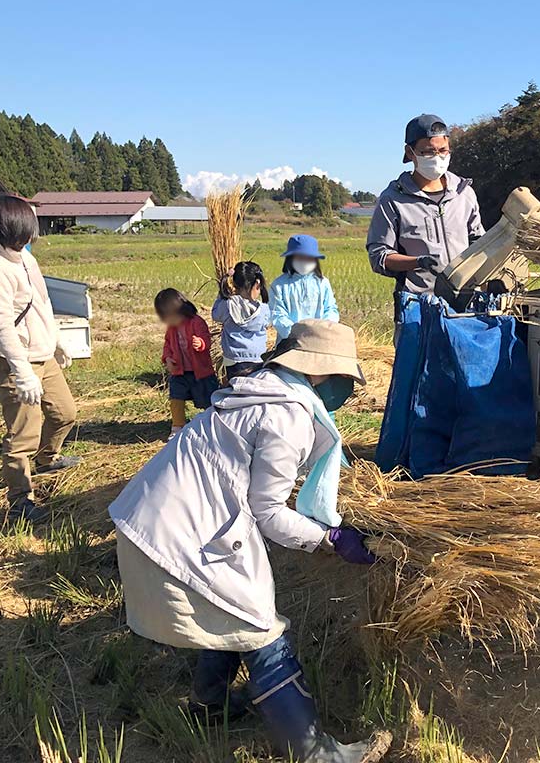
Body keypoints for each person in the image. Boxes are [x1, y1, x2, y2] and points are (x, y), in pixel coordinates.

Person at [108, 320, 389, 763]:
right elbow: (270, 512)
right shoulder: (287, 414)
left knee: (226, 609)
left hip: (153, 520)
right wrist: (329, 538)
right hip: (182, 534)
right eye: (342, 379)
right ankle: (315, 752)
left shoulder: (260, 390)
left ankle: (209, 706)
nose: (346, 391)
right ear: (319, 372)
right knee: (259, 628)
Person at [0, 194, 80, 524]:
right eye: (24, 229)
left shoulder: (23, 258)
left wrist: (57, 341)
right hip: (15, 361)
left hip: (42, 355)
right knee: (22, 436)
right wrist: (22, 372)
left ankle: (48, 458)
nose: (29, 236)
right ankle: (20, 500)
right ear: (5, 229)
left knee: (65, 413)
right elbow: (0, 325)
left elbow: (43, 302)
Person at [365, 113, 485, 304]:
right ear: (410, 152)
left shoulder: (464, 193)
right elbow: (379, 256)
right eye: (428, 152)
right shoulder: (393, 199)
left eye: (443, 150)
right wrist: (418, 262)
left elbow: (480, 242)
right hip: (418, 305)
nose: (437, 158)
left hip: (467, 300)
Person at [156, 288, 220, 440]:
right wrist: (167, 358)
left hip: (201, 371)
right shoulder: (171, 329)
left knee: (207, 399)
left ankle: (212, 424)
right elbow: (167, 345)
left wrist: (201, 343)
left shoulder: (197, 322)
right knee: (176, 397)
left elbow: (206, 339)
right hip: (180, 371)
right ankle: (178, 426)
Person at [270, 234, 339, 340]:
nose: (304, 261)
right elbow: (277, 314)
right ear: (290, 258)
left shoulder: (323, 283)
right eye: (300, 257)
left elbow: (330, 309)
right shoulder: (279, 285)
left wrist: (322, 329)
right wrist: (295, 334)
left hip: (319, 339)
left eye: (309, 258)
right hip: (289, 342)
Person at [212, 261, 271, 382]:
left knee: (236, 391)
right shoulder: (264, 309)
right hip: (257, 358)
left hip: (233, 359)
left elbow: (215, 315)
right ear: (257, 284)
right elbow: (268, 324)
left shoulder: (227, 305)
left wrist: (221, 295)